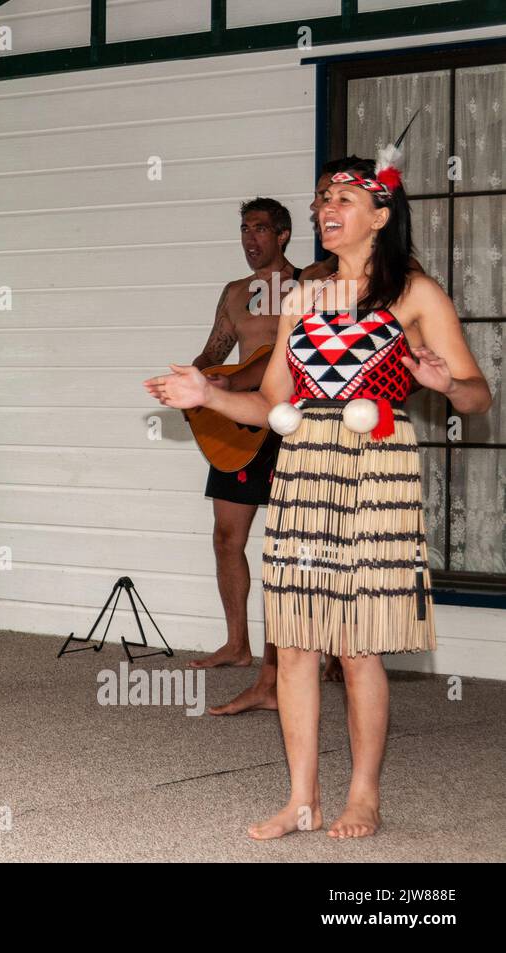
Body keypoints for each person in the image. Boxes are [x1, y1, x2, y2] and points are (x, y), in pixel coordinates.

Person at [145, 153, 490, 839]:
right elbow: (272, 404)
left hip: (377, 466)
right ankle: (301, 797)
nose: (324, 207)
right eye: (320, 197)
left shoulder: (416, 294)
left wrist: (443, 382)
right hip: (303, 465)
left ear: (381, 214)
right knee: (297, 638)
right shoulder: (301, 296)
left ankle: (363, 794)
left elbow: (479, 397)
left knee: (358, 646)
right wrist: (208, 393)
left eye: (342, 197)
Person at [185, 199, 299, 691]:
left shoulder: (310, 286)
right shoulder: (235, 293)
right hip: (240, 428)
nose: (251, 239)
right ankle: (237, 644)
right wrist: (193, 385)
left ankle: (318, 655)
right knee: (226, 539)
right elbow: (213, 353)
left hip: (295, 422)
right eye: (244, 229)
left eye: (261, 229)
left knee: (293, 547)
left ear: (284, 234)